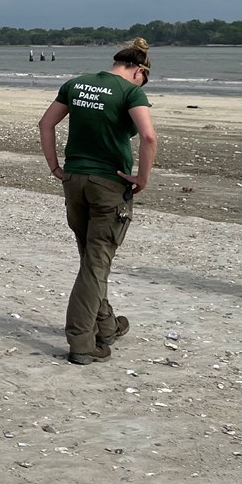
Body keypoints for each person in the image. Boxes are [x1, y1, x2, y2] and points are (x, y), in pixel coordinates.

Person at [38, 38, 158, 365]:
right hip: (108, 184)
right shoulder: (131, 92)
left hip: (74, 181)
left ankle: (106, 325)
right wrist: (142, 178)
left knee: (92, 260)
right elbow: (148, 136)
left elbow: (46, 123)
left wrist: (55, 166)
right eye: (145, 80)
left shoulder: (76, 84)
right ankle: (81, 342)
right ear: (138, 71)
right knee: (96, 264)